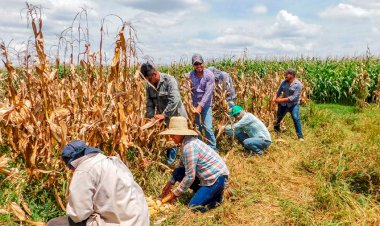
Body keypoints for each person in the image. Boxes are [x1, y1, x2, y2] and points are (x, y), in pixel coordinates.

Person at [47, 140, 149, 226]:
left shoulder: (84, 170)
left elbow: (78, 214)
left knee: (55, 223)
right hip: (140, 221)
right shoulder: (111, 160)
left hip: (118, 223)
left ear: (71, 162)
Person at [159, 116, 229, 212]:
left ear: (181, 133)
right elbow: (181, 166)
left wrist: (174, 194)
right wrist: (169, 183)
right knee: (178, 172)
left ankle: (217, 199)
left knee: (193, 206)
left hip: (216, 178)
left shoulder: (189, 147)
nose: (171, 137)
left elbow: (190, 177)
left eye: (174, 134)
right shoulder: (185, 143)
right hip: (205, 177)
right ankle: (206, 193)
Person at [141, 62, 188, 165]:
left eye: (149, 80)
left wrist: (164, 115)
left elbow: (174, 100)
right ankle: (170, 163)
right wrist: (150, 119)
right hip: (164, 119)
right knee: (169, 140)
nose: (148, 82)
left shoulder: (169, 81)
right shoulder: (149, 86)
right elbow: (149, 104)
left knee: (182, 140)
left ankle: (185, 163)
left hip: (177, 116)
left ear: (154, 74)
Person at [188, 54, 217, 150]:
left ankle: (213, 149)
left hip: (206, 105)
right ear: (193, 65)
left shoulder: (209, 75)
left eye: (200, 63)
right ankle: (201, 149)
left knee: (207, 127)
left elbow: (208, 93)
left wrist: (200, 106)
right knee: (197, 128)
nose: (198, 66)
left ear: (203, 63)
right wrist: (190, 105)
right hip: (194, 105)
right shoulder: (190, 75)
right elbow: (187, 89)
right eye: (196, 64)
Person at [272, 68, 304, 141]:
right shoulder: (284, 82)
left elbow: (293, 97)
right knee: (278, 118)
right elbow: (278, 92)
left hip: (293, 105)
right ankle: (276, 130)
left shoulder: (298, 84)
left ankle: (300, 136)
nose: (285, 75)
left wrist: (280, 100)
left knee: (295, 118)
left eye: (287, 74)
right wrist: (274, 98)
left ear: (292, 75)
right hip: (283, 104)